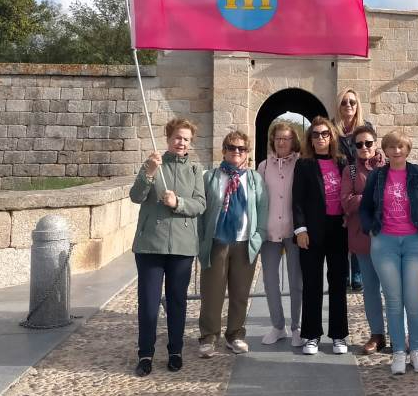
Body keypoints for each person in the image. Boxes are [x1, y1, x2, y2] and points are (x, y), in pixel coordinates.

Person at [129, 118, 206, 377]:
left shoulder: (195, 171)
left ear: (190, 143)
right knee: (149, 303)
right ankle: (145, 354)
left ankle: (175, 351)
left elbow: (199, 205)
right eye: (177, 137)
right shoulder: (153, 163)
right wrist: (149, 172)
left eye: (185, 138)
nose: (180, 142)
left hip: (182, 247)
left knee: (177, 302)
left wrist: (178, 203)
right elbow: (136, 196)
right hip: (151, 245)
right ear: (168, 138)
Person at [360, 129, 418, 376]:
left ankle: (417, 349)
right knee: (393, 301)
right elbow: (365, 208)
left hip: (415, 242)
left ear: (408, 149)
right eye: (392, 147)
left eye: (401, 146)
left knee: (414, 300)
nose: (397, 151)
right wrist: (370, 228)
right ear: (386, 150)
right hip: (385, 243)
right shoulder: (377, 177)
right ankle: (398, 353)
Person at [197, 130, 268, 358]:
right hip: (217, 241)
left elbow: (263, 209)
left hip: (244, 242)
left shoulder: (254, 179)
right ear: (224, 151)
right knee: (212, 292)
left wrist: (258, 238)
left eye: (241, 149)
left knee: (240, 293)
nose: (236, 152)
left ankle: (235, 334)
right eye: (231, 148)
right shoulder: (211, 177)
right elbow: (201, 211)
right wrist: (201, 241)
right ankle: (209, 336)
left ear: (247, 153)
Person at [292, 116, 349, 355]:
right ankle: (312, 335)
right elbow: (297, 200)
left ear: (332, 136)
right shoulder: (304, 165)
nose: (320, 138)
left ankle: (338, 335)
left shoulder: (343, 162)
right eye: (315, 134)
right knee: (312, 284)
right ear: (310, 139)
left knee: (338, 284)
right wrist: (300, 229)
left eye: (325, 133)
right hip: (312, 231)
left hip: (339, 229)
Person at [256, 121, 306, 347]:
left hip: (294, 230)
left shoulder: (301, 164)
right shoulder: (263, 167)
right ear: (272, 140)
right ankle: (278, 325)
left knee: (296, 282)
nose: (282, 142)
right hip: (270, 231)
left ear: (293, 141)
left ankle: (297, 326)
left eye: (286, 138)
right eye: (278, 138)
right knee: (270, 281)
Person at [340, 125, 386, 354]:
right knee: (370, 289)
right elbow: (346, 202)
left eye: (368, 143)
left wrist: (362, 198)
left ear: (375, 144)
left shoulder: (389, 167)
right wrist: (371, 196)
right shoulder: (349, 171)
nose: (364, 147)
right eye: (359, 144)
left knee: (393, 289)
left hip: (388, 236)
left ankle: (400, 334)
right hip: (362, 237)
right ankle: (376, 334)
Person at [333, 88, 378, 292]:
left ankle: (357, 273)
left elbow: (374, 152)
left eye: (352, 101)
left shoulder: (365, 128)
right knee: (342, 228)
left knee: (359, 223)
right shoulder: (333, 130)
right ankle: (343, 273)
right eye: (344, 102)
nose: (348, 105)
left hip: (360, 177)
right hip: (338, 182)